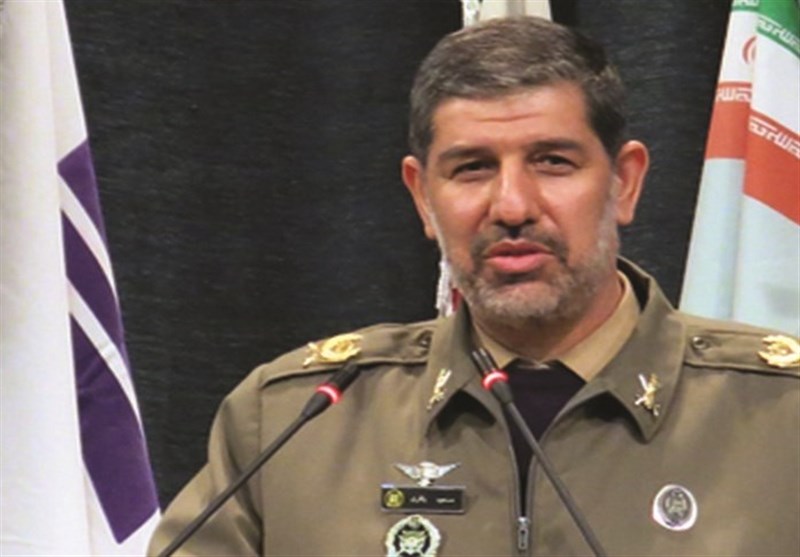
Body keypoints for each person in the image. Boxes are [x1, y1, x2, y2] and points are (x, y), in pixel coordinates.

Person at [148, 16, 800, 557]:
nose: (512, 206)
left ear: (624, 182)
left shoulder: (781, 415)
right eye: (471, 169)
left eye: (553, 162)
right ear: (422, 198)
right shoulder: (295, 422)